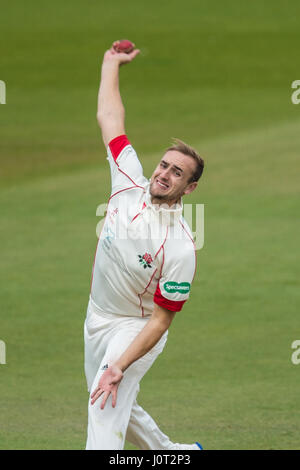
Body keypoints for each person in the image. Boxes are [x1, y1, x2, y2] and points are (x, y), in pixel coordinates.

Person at [84, 41, 204, 450]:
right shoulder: (128, 180)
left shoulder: (180, 247)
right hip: (96, 317)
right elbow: (110, 117)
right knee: (115, 399)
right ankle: (174, 455)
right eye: (165, 165)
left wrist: (120, 363)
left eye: (177, 173)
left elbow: (160, 320)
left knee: (104, 410)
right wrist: (110, 63)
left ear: (190, 187)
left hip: (134, 328)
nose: (165, 175)